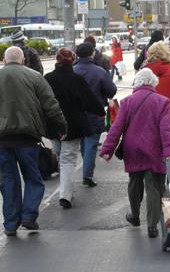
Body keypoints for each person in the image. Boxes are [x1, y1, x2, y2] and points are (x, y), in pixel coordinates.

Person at [100, 68, 170, 238]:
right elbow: (166, 130)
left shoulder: (127, 102)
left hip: (132, 148)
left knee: (134, 182)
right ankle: (152, 226)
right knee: (154, 186)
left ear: (137, 83)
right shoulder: (162, 101)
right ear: (153, 82)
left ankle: (134, 216)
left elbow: (116, 128)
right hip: (154, 148)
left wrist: (107, 150)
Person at [0, 46, 67, 236]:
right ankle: (29, 215)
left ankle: (10, 224)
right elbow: (51, 105)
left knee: (8, 180)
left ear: (5, 61)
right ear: (22, 61)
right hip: (27, 137)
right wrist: (62, 127)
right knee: (33, 177)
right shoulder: (35, 77)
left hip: (2, 139)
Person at [44, 47, 106, 209]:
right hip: (73, 126)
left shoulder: (47, 78)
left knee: (61, 157)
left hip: (51, 126)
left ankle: (67, 192)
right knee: (68, 160)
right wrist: (100, 112)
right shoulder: (75, 79)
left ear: (57, 60)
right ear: (71, 62)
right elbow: (88, 99)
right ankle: (65, 195)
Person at [74, 42, 117, 187]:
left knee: (82, 143)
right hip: (95, 113)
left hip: (76, 115)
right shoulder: (99, 71)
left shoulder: (72, 70)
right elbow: (111, 91)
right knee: (91, 144)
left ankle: (86, 170)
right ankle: (87, 175)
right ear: (92, 54)